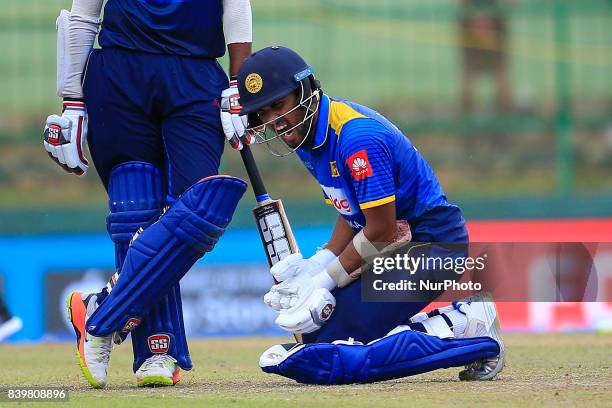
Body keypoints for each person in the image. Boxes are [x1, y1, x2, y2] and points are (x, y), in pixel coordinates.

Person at [223, 46, 505, 384]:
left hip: (435, 246)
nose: (273, 122)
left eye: (279, 106)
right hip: (397, 244)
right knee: (315, 336)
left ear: (306, 90)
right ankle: (454, 324)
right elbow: (353, 212)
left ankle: (471, 328)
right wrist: (318, 263)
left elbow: (383, 230)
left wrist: (325, 279)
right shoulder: (311, 133)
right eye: (262, 114)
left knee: (338, 350)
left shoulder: (355, 138)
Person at [43, 0, 252, 388]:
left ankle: (100, 313)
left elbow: (236, 4)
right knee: (133, 213)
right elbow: (84, 12)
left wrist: (239, 83)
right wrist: (72, 101)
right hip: (119, 72)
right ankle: (158, 351)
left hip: (195, 73)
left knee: (200, 208)